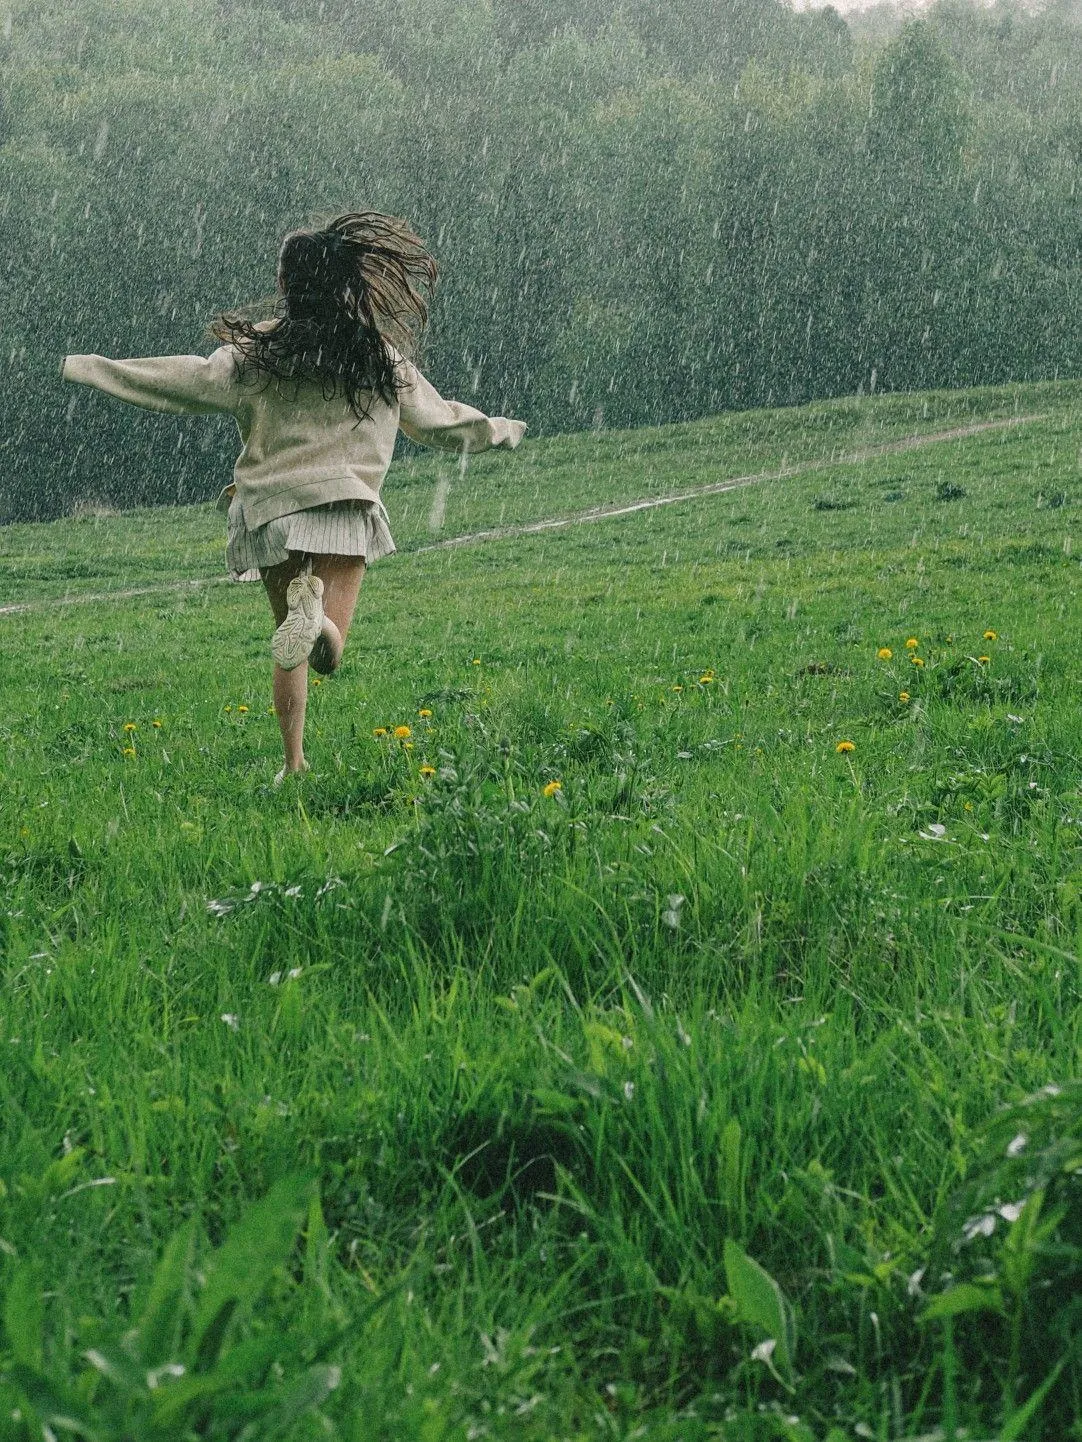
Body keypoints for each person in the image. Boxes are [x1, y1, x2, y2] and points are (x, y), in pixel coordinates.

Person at [61, 211, 528, 784]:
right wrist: (499, 429)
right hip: (345, 507)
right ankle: (322, 626)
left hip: (274, 510)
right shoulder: (378, 357)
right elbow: (438, 424)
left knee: (288, 642)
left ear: (286, 284)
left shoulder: (256, 354)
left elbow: (183, 381)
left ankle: (293, 761)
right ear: (345, 281)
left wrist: (95, 368)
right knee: (327, 651)